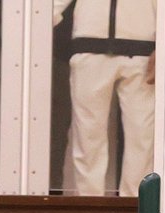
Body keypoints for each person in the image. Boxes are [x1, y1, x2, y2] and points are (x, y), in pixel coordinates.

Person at [52, 0, 156, 197]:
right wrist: (36, 22)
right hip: (89, 46)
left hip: (142, 50)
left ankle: (136, 205)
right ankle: (89, 204)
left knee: (142, 134)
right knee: (87, 134)